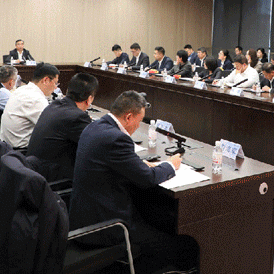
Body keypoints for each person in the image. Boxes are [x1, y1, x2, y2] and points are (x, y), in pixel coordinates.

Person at [69, 91, 196, 273]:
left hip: (83, 216)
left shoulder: (95, 127)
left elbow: (111, 162)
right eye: (140, 120)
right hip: (106, 225)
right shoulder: (116, 138)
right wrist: (170, 165)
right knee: (173, 247)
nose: (138, 126)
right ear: (128, 117)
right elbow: (148, 178)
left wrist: (137, 164)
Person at [27, 73, 98, 181]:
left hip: (32, 170)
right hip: (52, 178)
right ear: (89, 99)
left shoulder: (53, 105)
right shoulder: (77, 117)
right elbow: (96, 146)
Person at [0, 63, 59, 149]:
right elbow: (53, 127)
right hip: (22, 150)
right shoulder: (35, 99)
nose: (56, 87)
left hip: (7, 147)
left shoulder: (22, 89)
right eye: (55, 83)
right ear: (45, 80)